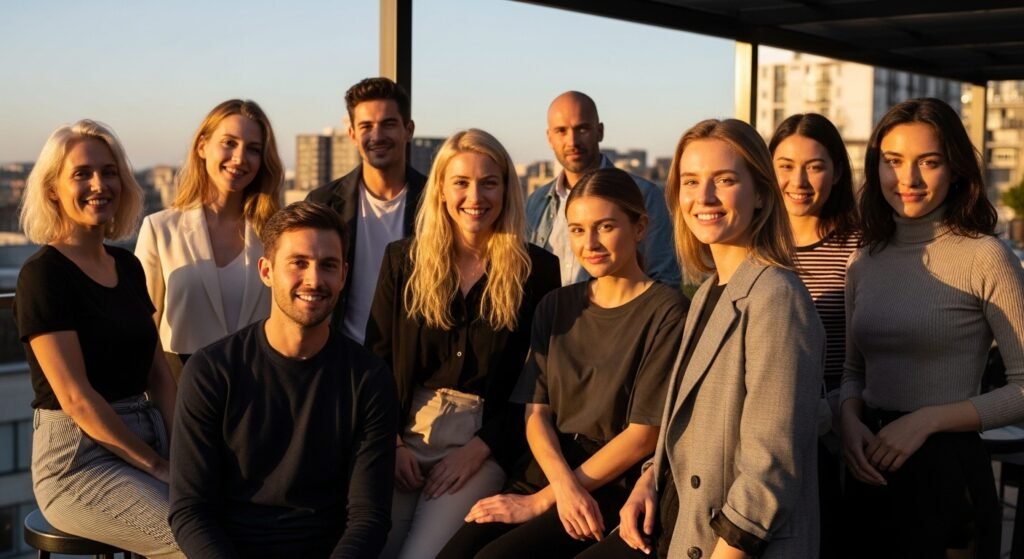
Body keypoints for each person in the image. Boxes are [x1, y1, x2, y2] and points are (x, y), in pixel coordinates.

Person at [588, 118, 823, 559]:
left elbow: (771, 467)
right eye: (691, 182)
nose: (705, 197)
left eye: (725, 180)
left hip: (728, 544)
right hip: (677, 523)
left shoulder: (776, 296)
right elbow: (691, 423)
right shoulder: (708, 292)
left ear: (761, 194)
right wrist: (650, 478)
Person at [439, 167, 688, 558]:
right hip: (548, 468)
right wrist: (557, 487)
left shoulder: (667, 311)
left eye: (605, 227)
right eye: (577, 230)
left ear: (640, 227)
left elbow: (644, 434)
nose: (590, 243)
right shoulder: (556, 305)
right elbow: (536, 412)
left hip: (608, 481)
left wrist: (545, 501)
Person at [840, 98, 1024, 559]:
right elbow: (853, 371)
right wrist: (848, 420)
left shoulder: (986, 256)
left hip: (949, 479)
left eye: (929, 162)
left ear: (956, 170)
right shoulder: (863, 260)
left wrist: (926, 420)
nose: (908, 179)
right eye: (893, 161)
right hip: (868, 471)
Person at [365, 129, 560, 559]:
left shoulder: (538, 270)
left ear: (506, 190)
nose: (475, 196)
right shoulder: (402, 261)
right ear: (440, 189)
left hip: (482, 440)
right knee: (371, 547)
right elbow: (375, 362)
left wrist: (480, 449)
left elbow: (541, 383)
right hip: (403, 434)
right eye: (461, 183)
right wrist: (391, 443)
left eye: (489, 182)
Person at [169, 201, 397, 558]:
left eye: (328, 265)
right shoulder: (211, 371)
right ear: (266, 270)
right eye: (298, 263)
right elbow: (190, 510)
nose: (314, 280)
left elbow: (369, 517)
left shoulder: (368, 378)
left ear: (343, 276)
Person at [15, 120, 182, 558]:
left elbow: (159, 376)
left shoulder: (127, 267)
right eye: (82, 174)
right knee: (195, 538)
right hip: (79, 461)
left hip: (150, 436)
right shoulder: (43, 275)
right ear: (53, 189)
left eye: (109, 172)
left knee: (243, 513)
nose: (99, 185)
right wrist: (159, 466)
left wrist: (184, 454)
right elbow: (77, 399)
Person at [136, 99, 283, 380]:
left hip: (260, 387)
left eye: (253, 149)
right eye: (229, 143)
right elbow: (143, 331)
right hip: (181, 388)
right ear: (202, 146)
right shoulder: (160, 229)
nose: (240, 158)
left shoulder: (276, 234)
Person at [768, 112, 860, 559]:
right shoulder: (754, 247)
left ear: (837, 171)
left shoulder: (859, 248)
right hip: (766, 435)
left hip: (835, 435)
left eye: (815, 166)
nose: (798, 181)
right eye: (785, 166)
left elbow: (862, 356)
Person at [307, 77, 427, 343]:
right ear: (352, 134)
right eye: (366, 126)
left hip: (413, 357)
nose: (377, 136)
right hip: (342, 355)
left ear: (408, 130)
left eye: (388, 124)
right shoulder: (323, 203)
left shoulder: (435, 201)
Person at [527, 91, 680, 287]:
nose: (572, 141)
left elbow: (665, 279)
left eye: (582, 129)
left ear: (599, 131)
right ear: (549, 138)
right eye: (561, 131)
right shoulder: (536, 202)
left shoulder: (643, 195)